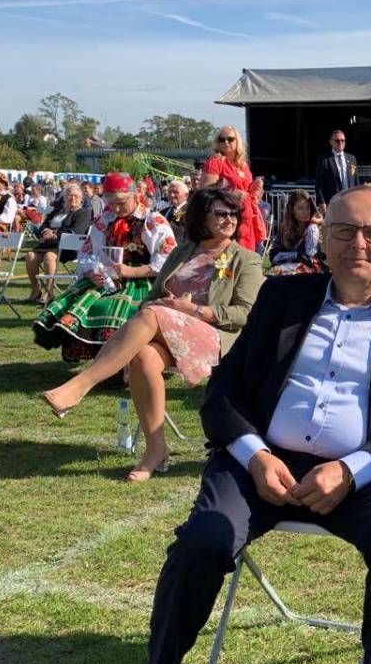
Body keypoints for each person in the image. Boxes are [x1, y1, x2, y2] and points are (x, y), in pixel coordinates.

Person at [130, 185, 371, 664]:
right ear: (323, 240)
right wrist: (255, 455)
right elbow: (224, 392)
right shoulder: (281, 299)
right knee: (202, 541)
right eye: (344, 231)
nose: (359, 244)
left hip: (367, 474)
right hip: (261, 464)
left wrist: (351, 470)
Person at [41, 188, 263, 480]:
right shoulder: (183, 252)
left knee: (150, 315)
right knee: (143, 356)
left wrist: (194, 310)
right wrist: (159, 305)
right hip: (167, 332)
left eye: (233, 213)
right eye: (221, 213)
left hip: (215, 336)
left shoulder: (246, 259)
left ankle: (81, 385)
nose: (229, 219)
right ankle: (156, 448)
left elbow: (245, 314)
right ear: (202, 217)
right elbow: (155, 295)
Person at [33, 172, 177, 363]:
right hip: (106, 278)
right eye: (111, 203)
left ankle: (128, 363)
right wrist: (91, 272)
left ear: (135, 196)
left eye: (121, 203)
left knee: (118, 311)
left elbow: (168, 259)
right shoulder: (104, 220)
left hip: (143, 280)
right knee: (85, 306)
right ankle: (106, 362)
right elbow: (87, 253)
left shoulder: (152, 220)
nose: (116, 208)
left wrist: (132, 271)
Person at [201, 125, 267, 254]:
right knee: (229, 258)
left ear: (237, 142)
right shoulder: (215, 161)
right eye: (222, 139)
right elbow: (204, 192)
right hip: (226, 219)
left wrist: (256, 189)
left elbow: (247, 192)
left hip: (246, 218)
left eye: (230, 139)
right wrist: (230, 194)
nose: (226, 142)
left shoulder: (243, 166)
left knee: (246, 257)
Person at [24, 183, 92, 304]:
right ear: (65, 197)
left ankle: (49, 292)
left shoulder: (83, 213)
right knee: (30, 256)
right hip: (49, 244)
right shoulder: (58, 210)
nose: (72, 198)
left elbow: (75, 231)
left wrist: (54, 233)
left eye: (76, 196)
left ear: (81, 198)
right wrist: (45, 231)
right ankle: (35, 290)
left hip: (69, 246)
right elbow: (44, 225)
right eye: (69, 195)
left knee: (49, 256)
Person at [267, 189, 325, 276]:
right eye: (300, 208)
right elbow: (274, 254)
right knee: (271, 274)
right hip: (286, 265)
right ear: (292, 210)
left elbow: (310, 256)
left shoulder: (312, 228)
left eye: (307, 207)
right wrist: (293, 255)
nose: (305, 212)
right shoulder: (284, 227)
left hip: (309, 269)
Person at [315, 129, 359, 210]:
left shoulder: (352, 159)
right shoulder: (324, 159)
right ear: (331, 142)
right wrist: (321, 201)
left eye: (343, 140)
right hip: (332, 202)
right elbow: (319, 183)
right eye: (337, 141)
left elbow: (356, 181)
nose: (340, 143)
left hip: (350, 201)